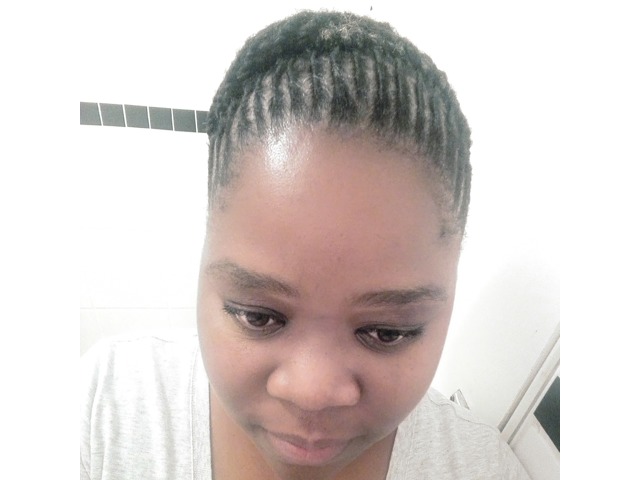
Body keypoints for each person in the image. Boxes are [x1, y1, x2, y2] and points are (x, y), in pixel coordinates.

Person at [80, 10, 531, 480]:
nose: (312, 394)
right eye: (258, 316)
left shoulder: (480, 469)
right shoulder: (104, 408)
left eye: (387, 332)